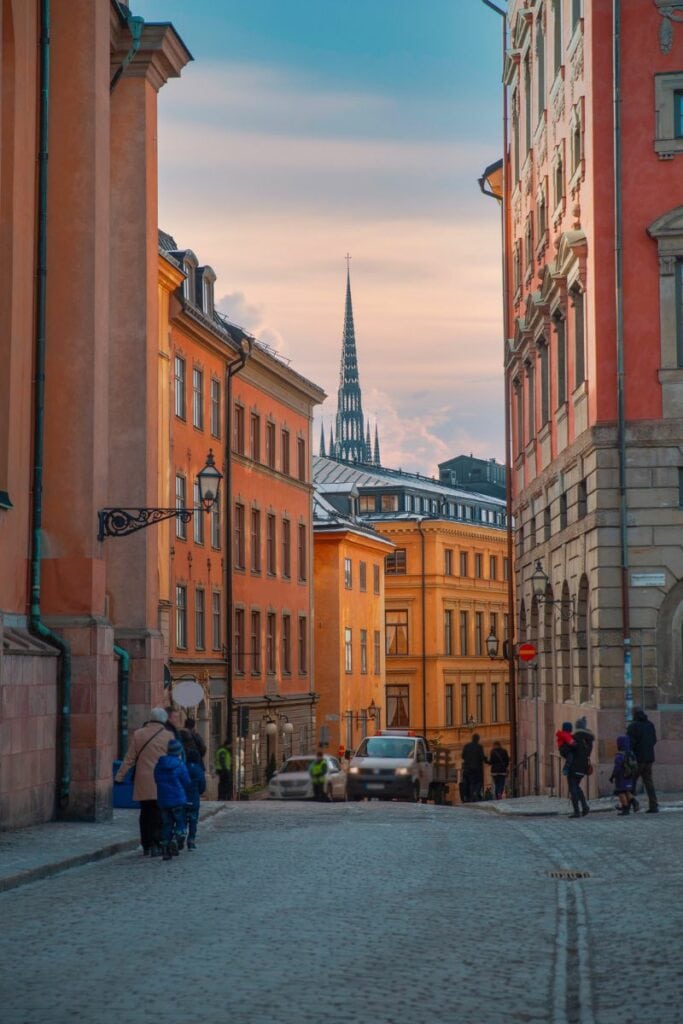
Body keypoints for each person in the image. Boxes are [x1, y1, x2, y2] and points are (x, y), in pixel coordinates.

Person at [114, 707, 171, 856]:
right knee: (158, 812)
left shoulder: (139, 734)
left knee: (145, 812)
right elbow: (173, 759)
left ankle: (147, 844)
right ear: (164, 720)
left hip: (143, 779)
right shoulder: (168, 736)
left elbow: (129, 758)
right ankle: (157, 843)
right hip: (161, 780)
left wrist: (119, 776)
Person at [154, 738, 193, 861]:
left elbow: (156, 779)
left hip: (163, 799)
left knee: (167, 824)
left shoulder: (159, 765)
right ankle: (176, 840)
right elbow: (187, 781)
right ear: (179, 752)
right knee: (180, 821)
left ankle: (165, 849)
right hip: (177, 799)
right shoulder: (180, 765)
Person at [627, 706, 658, 813]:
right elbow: (654, 740)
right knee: (649, 782)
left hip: (637, 759)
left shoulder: (633, 726)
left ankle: (630, 804)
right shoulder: (650, 725)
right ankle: (654, 805)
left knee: (630, 782)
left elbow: (630, 744)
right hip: (649, 758)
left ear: (634, 714)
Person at [563, 716, 594, 818]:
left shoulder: (575, 738)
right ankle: (585, 807)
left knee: (573, 789)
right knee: (576, 787)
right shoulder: (588, 740)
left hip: (574, 766)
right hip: (583, 767)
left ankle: (577, 811)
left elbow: (566, 751)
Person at [609, 735, 639, 815]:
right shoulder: (631, 753)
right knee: (626, 790)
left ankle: (626, 808)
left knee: (620, 792)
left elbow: (617, 767)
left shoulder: (619, 755)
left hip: (621, 776)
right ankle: (634, 802)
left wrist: (613, 776)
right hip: (630, 775)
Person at [184, 748, 206, 849]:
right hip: (194, 800)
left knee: (181, 819)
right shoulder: (199, 770)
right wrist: (199, 792)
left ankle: (180, 837)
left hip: (182, 799)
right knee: (193, 821)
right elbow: (202, 786)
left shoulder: (183, 767)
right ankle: (191, 840)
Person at [461, 733, 487, 803]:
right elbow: (482, 757)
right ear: (478, 739)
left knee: (469, 782)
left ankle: (470, 796)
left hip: (468, 769)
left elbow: (463, 756)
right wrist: (486, 760)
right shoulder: (479, 747)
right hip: (477, 769)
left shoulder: (467, 746)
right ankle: (475, 793)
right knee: (478, 782)